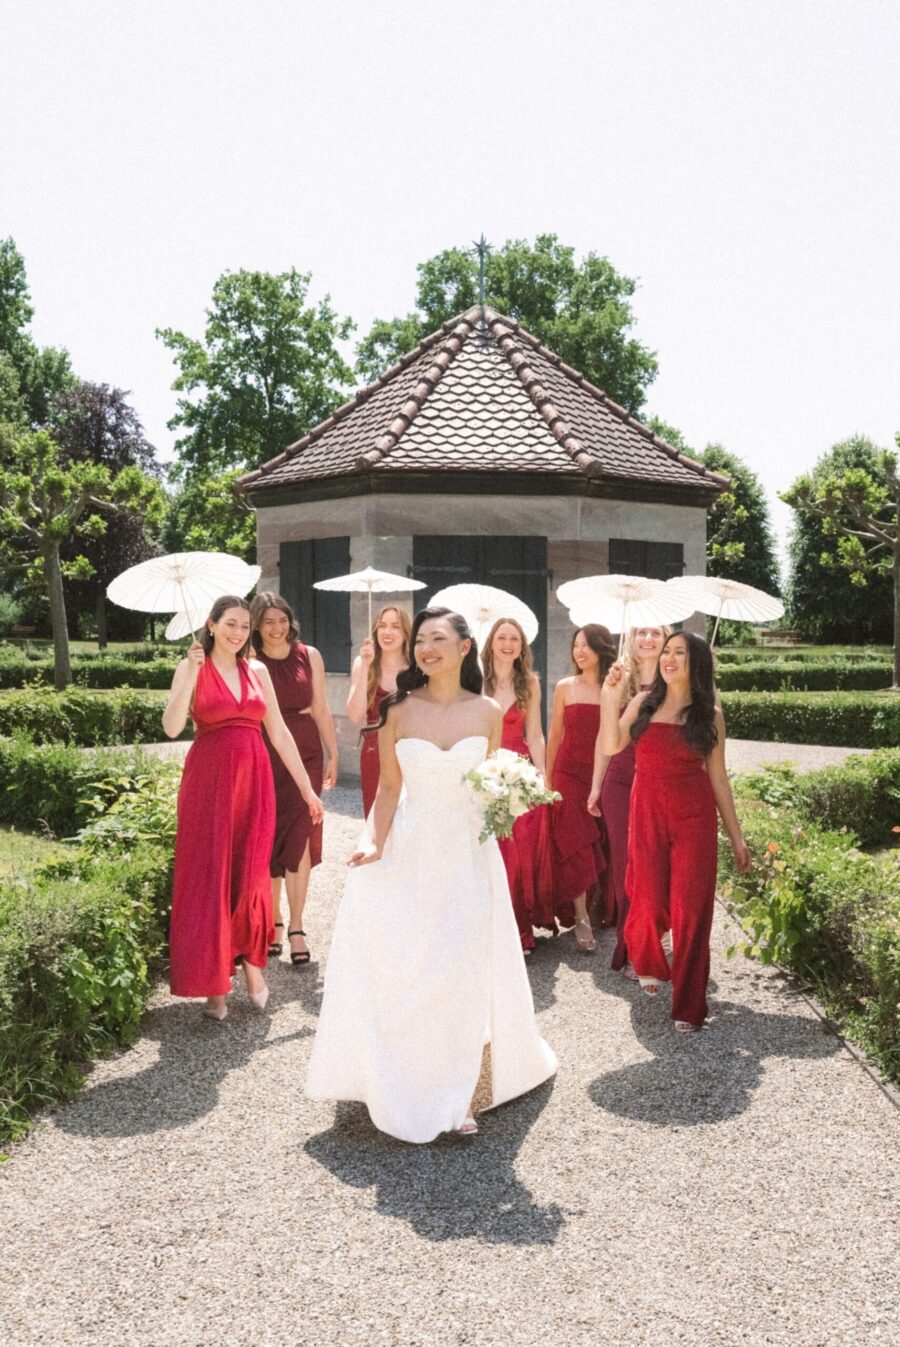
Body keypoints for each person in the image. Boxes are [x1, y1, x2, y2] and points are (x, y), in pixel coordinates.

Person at [306, 607, 557, 1143]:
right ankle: (401, 1071)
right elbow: (389, 789)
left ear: (465, 648)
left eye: (437, 638)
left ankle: (457, 1092)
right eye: (420, 639)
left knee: (461, 965)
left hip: (468, 852)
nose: (425, 648)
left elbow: (490, 783)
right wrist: (373, 841)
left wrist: (510, 800)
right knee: (413, 963)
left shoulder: (488, 712)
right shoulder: (398, 709)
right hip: (412, 847)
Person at [163, 596, 325, 1022]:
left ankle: (253, 966)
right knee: (211, 878)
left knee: (252, 876)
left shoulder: (257, 671)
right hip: (208, 785)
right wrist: (190, 675)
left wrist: (307, 790)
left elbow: (280, 733)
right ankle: (215, 985)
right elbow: (172, 727)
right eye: (229, 624)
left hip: (255, 784)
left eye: (242, 625)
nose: (237, 632)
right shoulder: (190, 667)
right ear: (211, 625)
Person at [600, 631, 751, 1031]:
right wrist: (609, 697)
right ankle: (649, 960)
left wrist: (736, 837)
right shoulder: (643, 702)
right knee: (646, 900)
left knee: (691, 911)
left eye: (678, 653)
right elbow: (611, 745)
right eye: (667, 651)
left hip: (694, 818)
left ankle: (689, 1005)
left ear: (695, 662)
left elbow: (718, 778)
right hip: (647, 814)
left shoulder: (709, 715)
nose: (668, 658)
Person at [249, 593, 338, 967]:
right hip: (265, 752)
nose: (277, 628)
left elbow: (320, 708)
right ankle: (273, 920)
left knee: (300, 833)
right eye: (268, 621)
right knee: (270, 835)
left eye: (282, 620)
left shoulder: (310, 655)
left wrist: (333, 753)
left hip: (306, 751)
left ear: (291, 620)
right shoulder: (249, 659)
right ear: (257, 625)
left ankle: (297, 926)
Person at [587, 626, 670, 978]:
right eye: (641, 632)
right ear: (632, 639)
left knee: (657, 864)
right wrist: (596, 786)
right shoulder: (618, 681)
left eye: (656, 633)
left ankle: (656, 933)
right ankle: (633, 947)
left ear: (666, 639)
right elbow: (603, 739)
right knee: (626, 865)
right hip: (621, 781)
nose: (648, 639)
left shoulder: (676, 681)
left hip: (662, 782)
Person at [546, 624, 615, 952]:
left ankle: (601, 906)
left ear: (601, 648)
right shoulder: (565, 687)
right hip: (568, 774)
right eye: (576, 645)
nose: (580, 651)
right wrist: (548, 779)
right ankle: (580, 916)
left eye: (587, 645)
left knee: (602, 840)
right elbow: (555, 735)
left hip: (603, 773)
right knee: (576, 841)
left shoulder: (614, 687)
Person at [481, 618, 548, 956]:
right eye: (502, 637)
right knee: (487, 850)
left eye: (514, 639)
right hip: (482, 770)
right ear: (491, 642)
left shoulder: (530, 684)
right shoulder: (474, 680)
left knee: (516, 852)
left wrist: (543, 775)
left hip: (517, 771)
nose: (507, 644)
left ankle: (517, 931)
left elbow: (534, 734)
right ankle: (484, 931)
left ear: (522, 647)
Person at [346, 604, 412, 817]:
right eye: (382, 625)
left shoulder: (416, 667)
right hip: (375, 751)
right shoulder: (363, 663)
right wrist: (366, 667)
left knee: (408, 819)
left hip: (409, 750)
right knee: (377, 819)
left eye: (395, 626)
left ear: (406, 632)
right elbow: (355, 715)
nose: (387, 632)